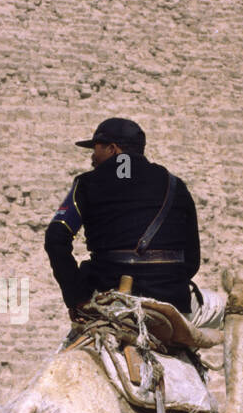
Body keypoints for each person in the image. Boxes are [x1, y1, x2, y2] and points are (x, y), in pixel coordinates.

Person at [44, 117, 225, 328]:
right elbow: (191, 260)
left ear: (112, 148)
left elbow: (55, 239)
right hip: (170, 300)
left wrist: (77, 297)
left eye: (96, 148)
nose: (92, 156)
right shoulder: (175, 185)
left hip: (108, 296)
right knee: (222, 307)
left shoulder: (86, 183)